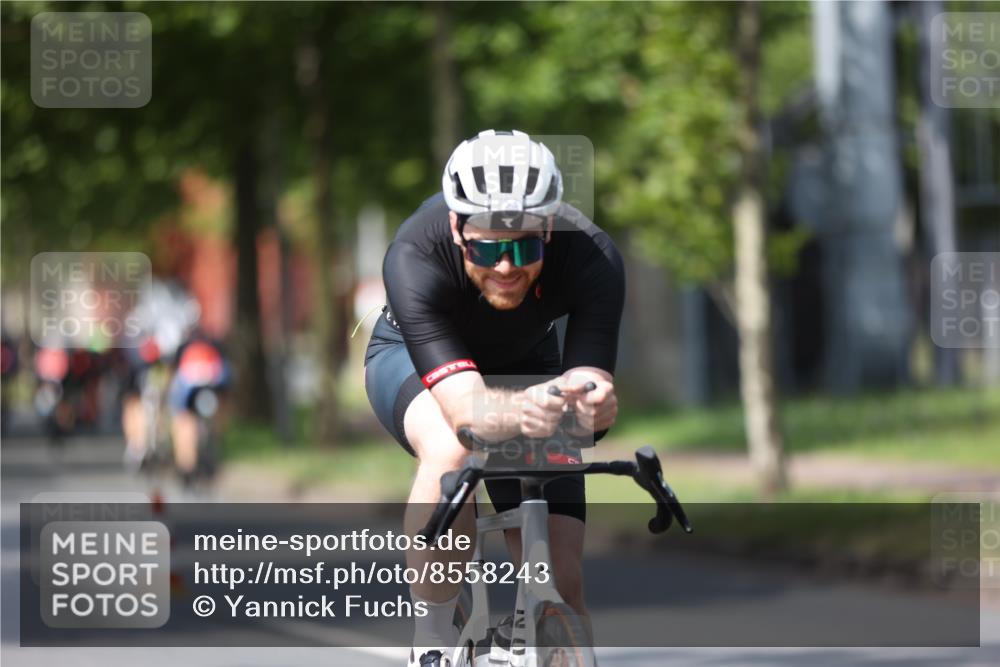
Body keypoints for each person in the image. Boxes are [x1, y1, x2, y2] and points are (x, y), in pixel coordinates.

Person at [364, 130, 625, 666]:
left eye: (524, 247)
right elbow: (467, 413)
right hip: (417, 361)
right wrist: (522, 411)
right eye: (486, 248)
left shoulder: (593, 255)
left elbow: (588, 391)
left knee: (564, 584)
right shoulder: (415, 252)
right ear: (458, 230)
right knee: (453, 448)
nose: (505, 267)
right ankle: (433, 637)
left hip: (529, 361)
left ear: (549, 230)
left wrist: (593, 404)